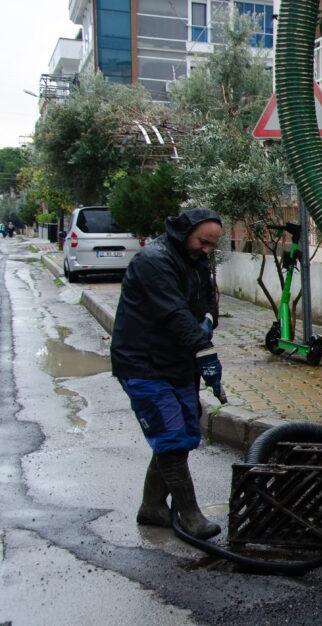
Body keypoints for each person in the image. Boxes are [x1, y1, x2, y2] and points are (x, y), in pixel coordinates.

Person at [110, 208, 227, 539]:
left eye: (211, 246)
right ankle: (189, 514)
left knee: (181, 432)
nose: (206, 250)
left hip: (176, 361)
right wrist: (203, 346)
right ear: (184, 231)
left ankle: (152, 507)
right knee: (172, 436)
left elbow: (208, 304)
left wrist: (207, 319)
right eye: (203, 242)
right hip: (143, 361)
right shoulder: (154, 261)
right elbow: (174, 314)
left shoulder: (196, 262)